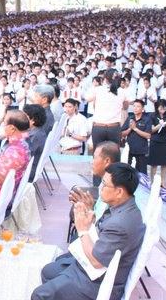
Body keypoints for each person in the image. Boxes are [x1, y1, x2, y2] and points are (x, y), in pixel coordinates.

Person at [32, 163, 146, 300]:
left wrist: (82, 230)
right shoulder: (125, 207)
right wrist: (88, 212)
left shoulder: (121, 223)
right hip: (97, 272)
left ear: (119, 191)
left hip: (97, 283)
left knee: (39, 295)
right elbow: (105, 234)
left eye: (104, 184)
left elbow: (97, 261)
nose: (101, 188)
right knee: (49, 271)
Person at [67, 141, 120, 241]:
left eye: (94, 158)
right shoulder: (105, 182)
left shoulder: (112, 188)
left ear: (107, 161)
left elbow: (100, 226)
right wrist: (89, 208)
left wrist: (88, 210)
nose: (92, 162)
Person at [120, 99, 151, 175]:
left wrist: (135, 129)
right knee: (128, 173)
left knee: (142, 174)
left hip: (141, 151)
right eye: (134, 106)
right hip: (130, 150)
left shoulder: (147, 119)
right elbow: (122, 134)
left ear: (142, 109)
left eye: (138, 106)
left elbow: (148, 135)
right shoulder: (130, 118)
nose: (135, 108)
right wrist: (130, 128)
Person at [148, 99, 166, 187]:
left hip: (165, 140)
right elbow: (151, 130)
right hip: (155, 140)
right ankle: (153, 182)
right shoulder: (152, 115)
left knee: (164, 163)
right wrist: (159, 125)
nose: (163, 109)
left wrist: (165, 124)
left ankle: (163, 182)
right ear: (157, 107)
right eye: (161, 107)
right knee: (154, 163)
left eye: (164, 107)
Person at [23, 103, 48, 181]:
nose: (21, 118)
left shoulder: (35, 136)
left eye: (24, 117)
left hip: (28, 172)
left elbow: (25, 156)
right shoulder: (38, 131)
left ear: (33, 120)